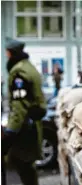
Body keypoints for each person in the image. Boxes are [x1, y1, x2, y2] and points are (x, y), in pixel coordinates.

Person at [2, 38, 46, 185]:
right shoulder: (29, 67)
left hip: (24, 130)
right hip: (32, 126)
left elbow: (19, 107)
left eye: (6, 52)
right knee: (28, 170)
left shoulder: (19, 72)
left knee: (18, 167)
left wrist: (9, 133)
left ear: (10, 53)